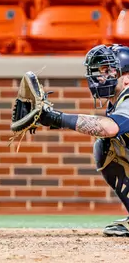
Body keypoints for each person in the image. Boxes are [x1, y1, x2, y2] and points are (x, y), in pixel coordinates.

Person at [35, 43, 129, 236]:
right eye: (100, 71)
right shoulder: (118, 103)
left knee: (107, 140)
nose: (100, 77)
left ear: (127, 78)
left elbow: (108, 127)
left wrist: (55, 117)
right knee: (106, 148)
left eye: (109, 71)